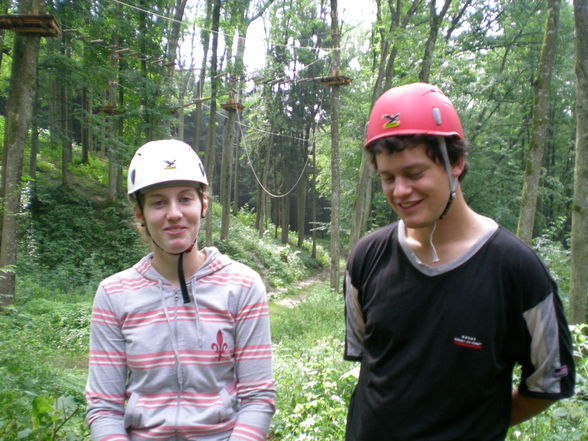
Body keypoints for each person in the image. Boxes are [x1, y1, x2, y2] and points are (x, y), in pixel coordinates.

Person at [343, 82, 575, 441]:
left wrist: (476, 425)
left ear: (456, 163)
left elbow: (546, 383)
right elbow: (369, 361)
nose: (400, 191)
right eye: (388, 177)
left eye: (415, 173)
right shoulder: (367, 257)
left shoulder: (517, 270)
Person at [85, 140, 275, 441]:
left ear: (203, 204)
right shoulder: (114, 294)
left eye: (185, 199)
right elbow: (104, 407)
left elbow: (258, 397)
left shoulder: (242, 286)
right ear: (139, 214)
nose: (174, 213)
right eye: (158, 202)